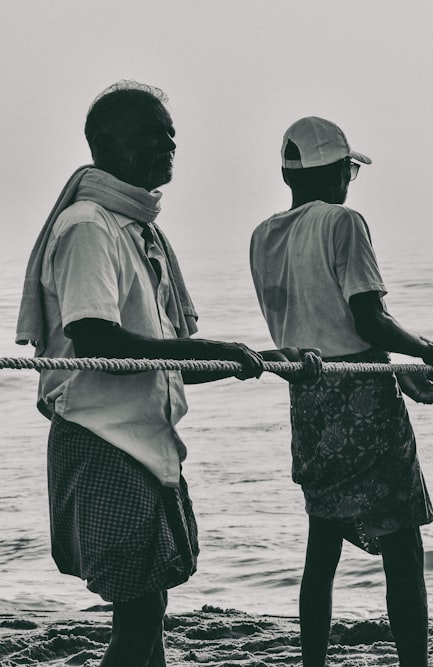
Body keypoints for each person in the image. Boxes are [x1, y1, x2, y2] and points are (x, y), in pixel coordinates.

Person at [14, 80, 315, 666]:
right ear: (105, 143)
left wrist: (250, 360)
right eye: (150, 135)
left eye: (171, 136)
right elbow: (96, 338)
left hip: (144, 442)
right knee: (140, 618)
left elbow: (161, 361)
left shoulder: (136, 228)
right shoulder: (88, 227)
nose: (167, 145)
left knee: (149, 616)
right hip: (105, 440)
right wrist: (216, 349)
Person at [249, 116, 433, 667]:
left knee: (323, 544)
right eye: (350, 169)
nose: (350, 180)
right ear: (337, 170)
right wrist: (425, 351)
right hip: (362, 397)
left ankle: (312, 663)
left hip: (308, 394)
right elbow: (367, 321)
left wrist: (395, 369)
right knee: (403, 547)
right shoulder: (344, 221)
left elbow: (315, 326)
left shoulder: (263, 235)